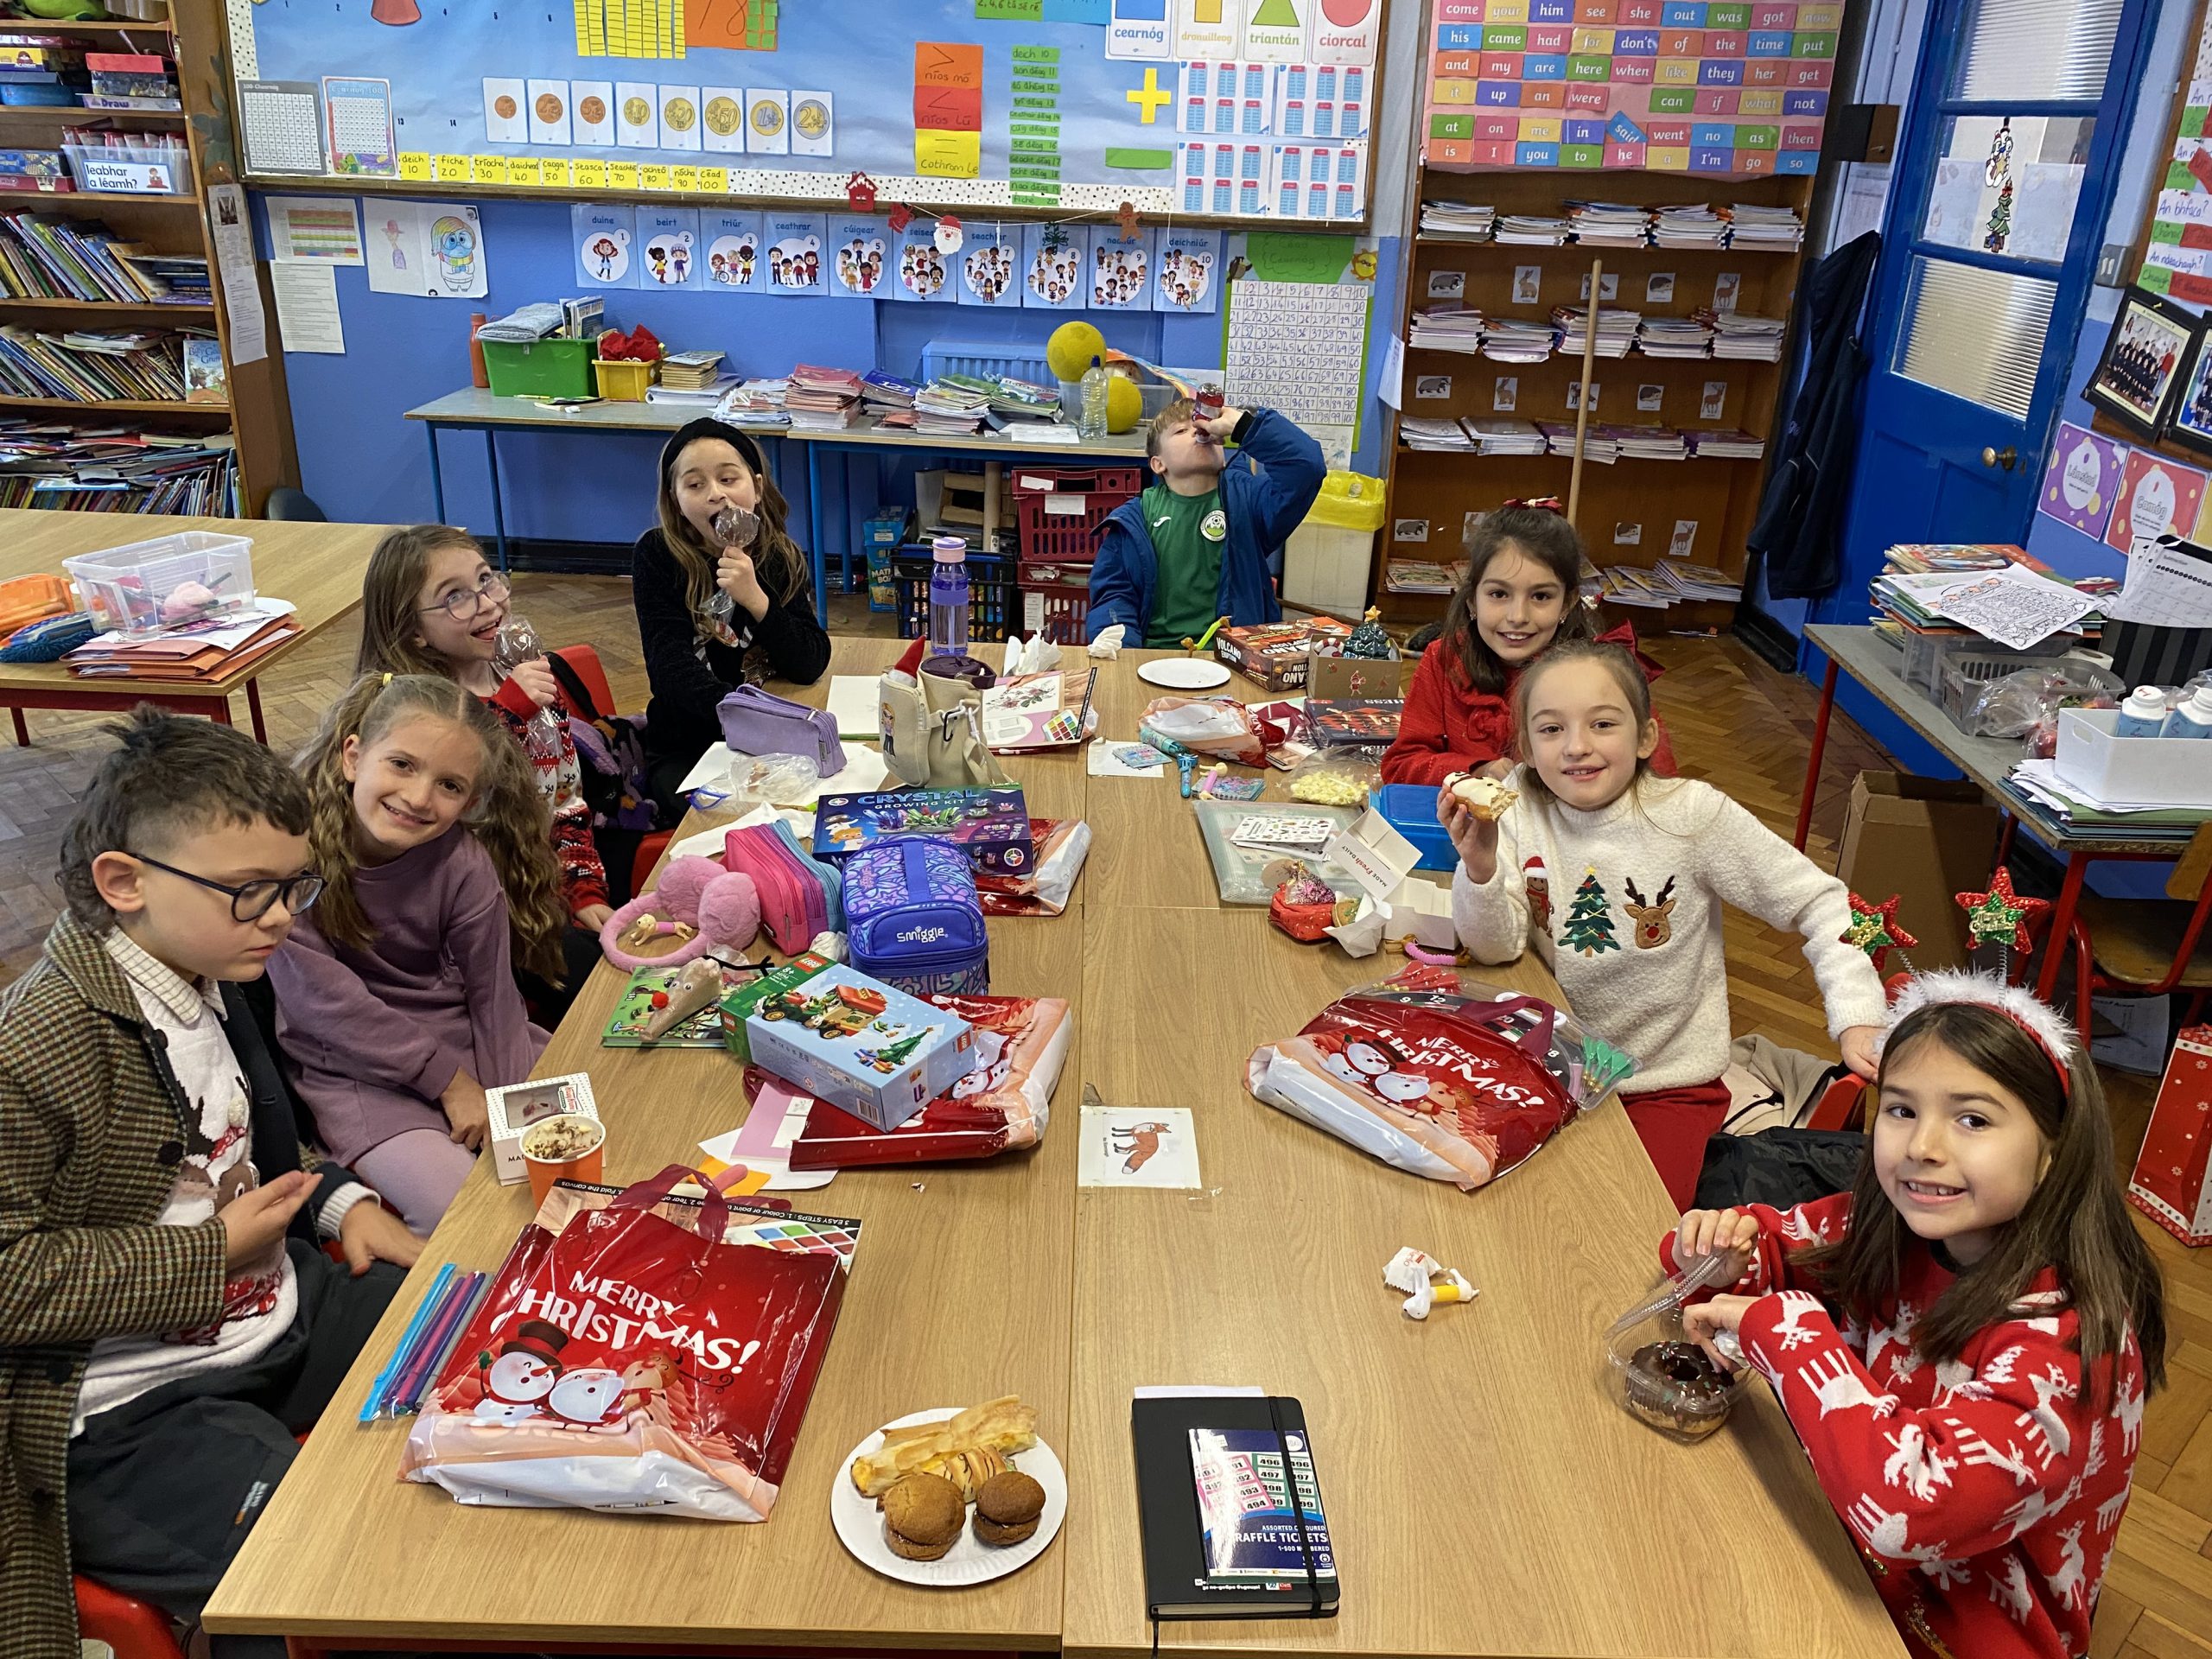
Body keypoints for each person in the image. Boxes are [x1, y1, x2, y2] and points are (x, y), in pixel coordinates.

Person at [0, 709, 421, 1659]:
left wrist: (337, 1201)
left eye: (293, 886)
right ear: (124, 883)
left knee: (483, 1340)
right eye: (249, 892)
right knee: (316, 1573)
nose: (280, 917)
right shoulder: (35, 1048)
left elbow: (238, 1144)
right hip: (126, 1415)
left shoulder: (203, 964)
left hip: (272, 1316)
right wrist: (212, 1254)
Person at [1667, 972, 2166, 1659]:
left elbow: (1910, 1508)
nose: (1923, 1146)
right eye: (1901, 1109)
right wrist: (1721, 1256)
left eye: (1973, 1119)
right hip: (1849, 1558)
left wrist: (1783, 1329)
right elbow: (1778, 1245)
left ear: (2054, 1150)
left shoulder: (2072, 1340)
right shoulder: (1896, 1223)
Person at [1444, 639, 1886, 1207]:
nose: (1576, 746)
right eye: (1551, 730)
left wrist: (1857, 1016)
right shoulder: (1516, 807)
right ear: (1526, 747)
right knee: (1505, 1203)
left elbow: (1822, 901)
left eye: (1603, 724)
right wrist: (1479, 865)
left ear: (1646, 736)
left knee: (1635, 1224)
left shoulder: (1691, 816)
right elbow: (1496, 948)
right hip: (1549, 1067)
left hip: (1665, 1083)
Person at [267, 674, 562, 1235]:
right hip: (360, 1076)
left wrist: (509, 1110)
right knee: (470, 1219)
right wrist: (452, 1084)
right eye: (402, 765)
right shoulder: (290, 858)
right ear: (353, 756)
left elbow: (494, 999)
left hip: (469, 1048)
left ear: (470, 802)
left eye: (448, 785)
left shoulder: (463, 863)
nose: (419, 798)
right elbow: (329, 1008)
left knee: (580, 1151)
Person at [354, 524, 616, 1007]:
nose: (487, 603)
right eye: (454, 597)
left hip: (545, 886)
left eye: (485, 579)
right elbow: (455, 824)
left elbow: (565, 803)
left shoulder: (525, 682)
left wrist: (584, 890)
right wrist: (507, 714)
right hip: (479, 917)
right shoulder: (414, 715)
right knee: (597, 992)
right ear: (414, 631)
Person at [1382, 503, 1677, 785]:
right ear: (1472, 600)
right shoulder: (1445, 659)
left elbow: (1656, 781)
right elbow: (1401, 764)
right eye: (1499, 594)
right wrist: (1477, 771)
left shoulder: (1604, 672)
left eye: (1541, 596)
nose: (1518, 617)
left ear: (1567, 604)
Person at [632, 417, 830, 823]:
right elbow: (669, 671)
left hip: (772, 738)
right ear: (675, 500)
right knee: (727, 821)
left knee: (811, 816)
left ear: (756, 488)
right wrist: (750, 718)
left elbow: (810, 661)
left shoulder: (779, 555)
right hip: (690, 745)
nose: (716, 494)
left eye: (727, 479)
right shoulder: (658, 556)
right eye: (695, 484)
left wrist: (756, 600)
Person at [1088, 397, 1326, 647]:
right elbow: (1114, 595)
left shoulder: (1249, 503)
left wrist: (1244, 426)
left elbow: (1306, 468)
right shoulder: (1134, 519)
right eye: (1181, 430)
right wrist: (1121, 646)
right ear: (1158, 464)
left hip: (1235, 657)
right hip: (1155, 656)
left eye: (1205, 425)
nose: (1198, 431)